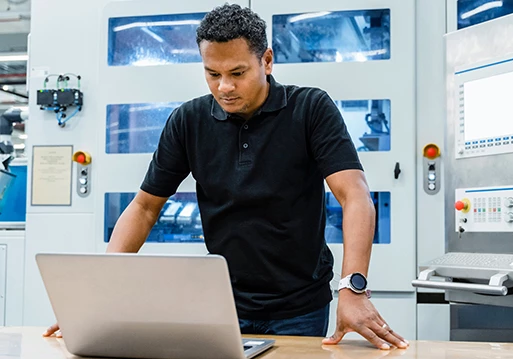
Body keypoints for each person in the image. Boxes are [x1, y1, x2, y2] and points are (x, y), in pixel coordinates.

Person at [44, 4, 408, 350]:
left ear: (266, 60)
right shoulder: (188, 121)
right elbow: (143, 208)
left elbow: (355, 196)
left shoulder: (310, 109)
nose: (224, 88)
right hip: (222, 302)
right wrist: (100, 293)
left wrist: (352, 289)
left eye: (237, 73)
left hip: (300, 305)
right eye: (212, 74)